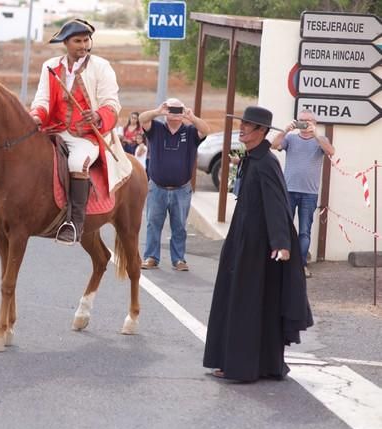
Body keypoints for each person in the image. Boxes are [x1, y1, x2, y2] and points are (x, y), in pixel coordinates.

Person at [203, 106, 313, 382]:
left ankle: (243, 366)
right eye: (242, 124)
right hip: (242, 239)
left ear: (262, 131)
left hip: (259, 247)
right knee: (238, 300)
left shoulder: (266, 162)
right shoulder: (252, 157)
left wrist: (281, 243)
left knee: (248, 302)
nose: (242, 129)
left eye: (248, 126)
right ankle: (241, 361)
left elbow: (278, 205)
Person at [29, 18, 129, 244]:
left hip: (87, 136)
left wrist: (97, 116)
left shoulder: (101, 67)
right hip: (53, 130)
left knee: (77, 163)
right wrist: (36, 115)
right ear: (66, 42)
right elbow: (43, 99)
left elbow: (111, 104)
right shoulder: (50, 66)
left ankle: (75, 223)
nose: (84, 45)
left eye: (87, 40)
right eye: (78, 41)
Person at [140, 98, 210, 271]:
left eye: (178, 109)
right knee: (153, 224)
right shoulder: (156, 129)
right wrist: (158, 112)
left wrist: (191, 117)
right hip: (157, 188)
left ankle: (179, 259)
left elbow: (206, 130)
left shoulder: (190, 131)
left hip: (181, 189)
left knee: (179, 226)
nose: (175, 112)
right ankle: (151, 257)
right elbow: (142, 119)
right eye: (171, 108)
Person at [271, 109, 335, 278]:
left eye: (308, 121)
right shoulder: (291, 138)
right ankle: (283, 263)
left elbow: (331, 151)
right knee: (285, 228)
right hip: (289, 190)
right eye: (301, 120)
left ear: (314, 123)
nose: (305, 124)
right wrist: (285, 130)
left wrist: (316, 135)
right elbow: (274, 145)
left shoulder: (320, 140)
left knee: (305, 231)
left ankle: (301, 265)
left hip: (309, 193)